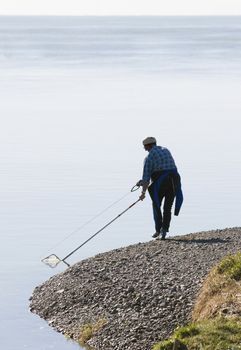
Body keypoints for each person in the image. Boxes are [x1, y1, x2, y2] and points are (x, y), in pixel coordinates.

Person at [137, 137, 183, 240]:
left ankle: (158, 230)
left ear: (148, 146)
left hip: (161, 182)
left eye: (145, 147)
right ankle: (164, 230)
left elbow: (146, 178)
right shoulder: (166, 150)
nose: (144, 149)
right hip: (174, 181)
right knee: (167, 207)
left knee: (156, 205)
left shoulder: (148, 158)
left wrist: (143, 193)